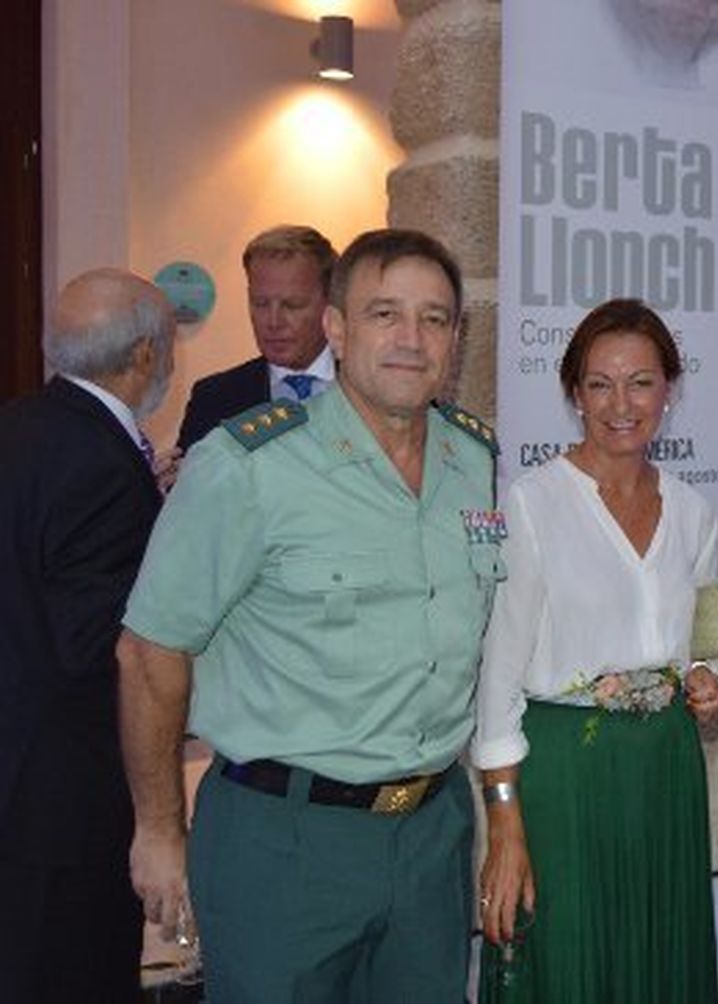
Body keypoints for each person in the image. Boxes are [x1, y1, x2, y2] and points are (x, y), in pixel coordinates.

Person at [117, 229, 497, 1001]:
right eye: (385, 313)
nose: (410, 339)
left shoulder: (475, 461)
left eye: (434, 319)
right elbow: (149, 650)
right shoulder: (247, 466)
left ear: (457, 338)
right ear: (337, 328)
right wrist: (159, 828)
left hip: (430, 833)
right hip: (283, 840)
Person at [474, 298, 718, 1002]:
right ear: (574, 394)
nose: (622, 404)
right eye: (600, 384)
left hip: (665, 773)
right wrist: (504, 822)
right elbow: (498, 677)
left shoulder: (696, 510)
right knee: (568, 961)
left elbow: (707, 637)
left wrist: (707, 678)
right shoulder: (531, 503)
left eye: (641, 382)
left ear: (669, 392)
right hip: (564, 779)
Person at [0, 270, 175, 1002]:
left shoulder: (18, 426)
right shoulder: (106, 465)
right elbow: (97, 647)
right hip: (66, 805)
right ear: (144, 354)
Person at [175, 224, 338, 452]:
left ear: (330, 304)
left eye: (292, 305)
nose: (273, 322)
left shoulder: (371, 387)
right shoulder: (215, 398)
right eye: (260, 304)